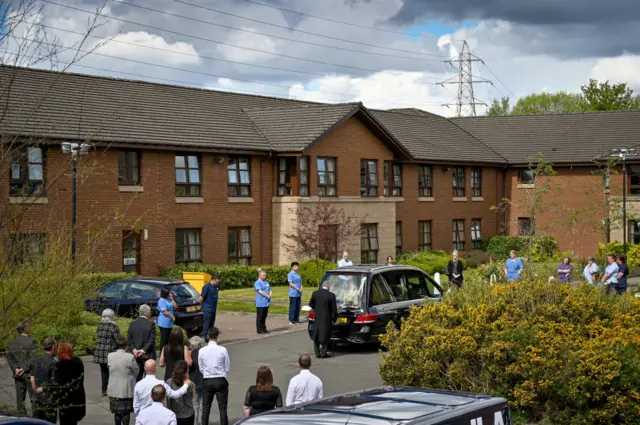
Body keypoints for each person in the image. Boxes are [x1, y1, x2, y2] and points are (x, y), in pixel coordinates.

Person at [199, 327, 230, 425]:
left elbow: (201, 367)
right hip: (220, 379)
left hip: (207, 379)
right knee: (222, 407)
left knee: (206, 407)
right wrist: (221, 372)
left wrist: (207, 373)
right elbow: (227, 366)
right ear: (217, 337)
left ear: (208, 336)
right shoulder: (223, 350)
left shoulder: (202, 350)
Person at [7, 321, 38, 416]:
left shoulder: (11, 343)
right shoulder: (31, 342)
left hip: (17, 375)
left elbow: (9, 358)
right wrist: (24, 369)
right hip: (29, 374)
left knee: (20, 401)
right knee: (34, 398)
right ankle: (36, 419)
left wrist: (16, 368)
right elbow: (34, 359)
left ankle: (21, 419)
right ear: (26, 329)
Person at [52, 341, 86, 425]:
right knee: (74, 421)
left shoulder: (58, 365)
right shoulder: (78, 361)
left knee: (64, 421)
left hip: (64, 398)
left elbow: (57, 383)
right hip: (77, 395)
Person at [107, 337, 139, 425]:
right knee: (126, 412)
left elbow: (109, 369)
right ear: (125, 345)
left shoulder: (110, 356)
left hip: (114, 388)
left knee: (117, 412)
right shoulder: (130, 357)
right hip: (126, 388)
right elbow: (136, 371)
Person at [29, 337, 57, 423]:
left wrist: (35, 390)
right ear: (53, 347)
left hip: (38, 398)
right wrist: (43, 389)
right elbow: (54, 383)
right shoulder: (53, 363)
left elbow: (32, 378)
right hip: (49, 399)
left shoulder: (36, 361)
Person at [94, 308, 120, 396]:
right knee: (113, 371)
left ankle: (104, 390)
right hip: (109, 351)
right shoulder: (113, 326)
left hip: (99, 351)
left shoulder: (100, 325)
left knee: (103, 372)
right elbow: (117, 339)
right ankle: (111, 389)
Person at [128, 304, 156, 382]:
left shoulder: (132, 324)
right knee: (149, 375)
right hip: (148, 354)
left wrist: (134, 349)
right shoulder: (151, 324)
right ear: (148, 313)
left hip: (136, 354)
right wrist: (143, 350)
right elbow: (151, 339)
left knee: (138, 375)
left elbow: (130, 339)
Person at [308, 282, 337, 359]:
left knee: (316, 335)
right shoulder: (331, 295)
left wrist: (316, 308)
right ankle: (324, 353)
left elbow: (310, 304)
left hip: (317, 317)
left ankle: (317, 353)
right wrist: (334, 318)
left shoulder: (315, 293)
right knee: (325, 336)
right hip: (326, 318)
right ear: (328, 286)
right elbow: (334, 309)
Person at [166, 360, 195, 425]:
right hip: (188, 414)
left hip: (173, 414)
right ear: (187, 371)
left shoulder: (169, 382)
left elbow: (167, 397)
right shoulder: (191, 384)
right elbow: (192, 396)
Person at [188, 337, 205, 425]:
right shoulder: (203, 353)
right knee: (203, 405)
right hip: (204, 381)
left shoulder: (190, 355)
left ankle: (195, 423)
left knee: (195, 405)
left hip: (193, 382)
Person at [200, 274, 220, 343]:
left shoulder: (216, 286)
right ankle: (206, 338)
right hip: (207, 308)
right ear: (213, 280)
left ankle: (212, 338)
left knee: (212, 324)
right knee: (207, 324)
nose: (217, 284)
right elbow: (201, 298)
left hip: (213, 308)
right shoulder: (206, 287)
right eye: (216, 282)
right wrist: (201, 306)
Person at [254, 270, 271, 334]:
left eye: (265, 275)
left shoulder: (266, 282)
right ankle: (259, 330)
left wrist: (270, 294)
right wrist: (267, 295)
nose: (265, 276)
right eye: (263, 275)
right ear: (259, 275)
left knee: (264, 316)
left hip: (266, 302)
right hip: (260, 302)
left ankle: (264, 329)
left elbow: (269, 289)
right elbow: (260, 291)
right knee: (260, 317)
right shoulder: (257, 282)